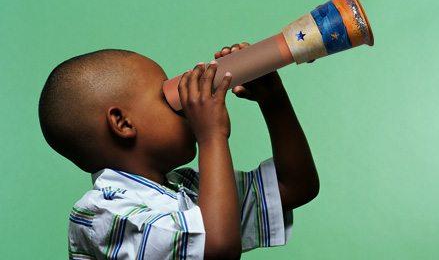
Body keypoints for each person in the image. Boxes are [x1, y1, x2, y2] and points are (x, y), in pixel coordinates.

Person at [38, 42, 319, 260]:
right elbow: (217, 250)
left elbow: (294, 186)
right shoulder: (103, 213)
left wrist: (273, 100)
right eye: (166, 95)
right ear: (123, 123)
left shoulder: (187, 187)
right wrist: (211, 135)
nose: (183, 104)